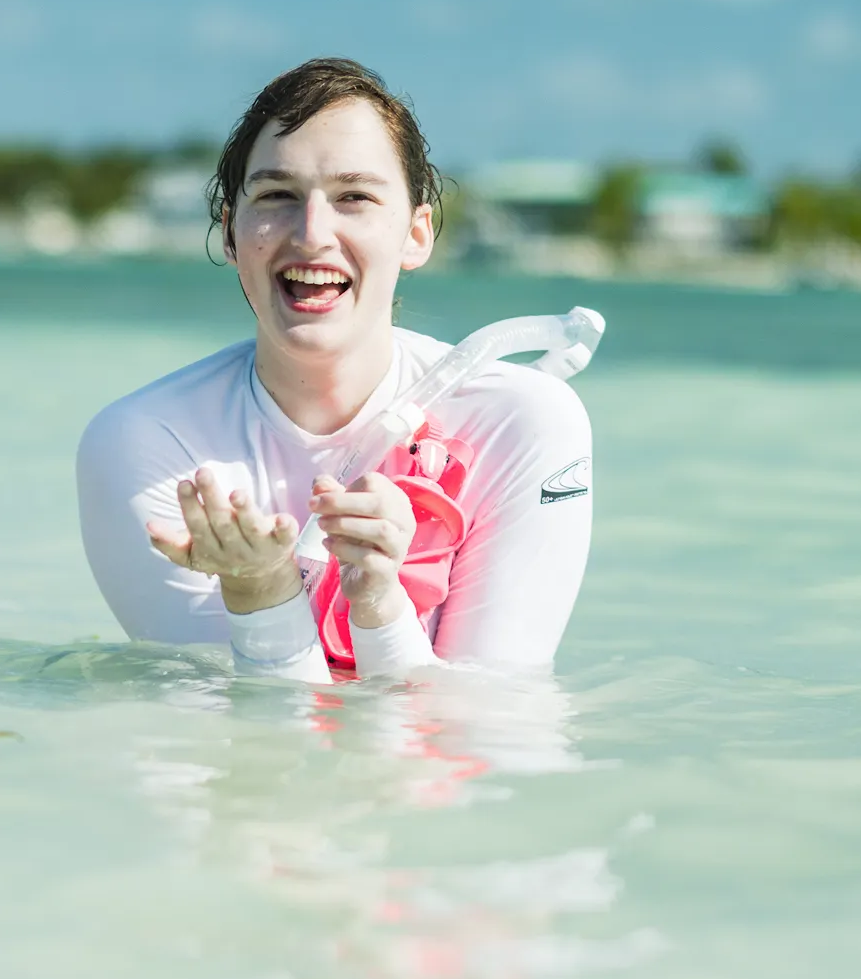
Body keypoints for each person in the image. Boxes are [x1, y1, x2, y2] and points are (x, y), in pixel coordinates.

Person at [77, 58, 595, 682]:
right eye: (276, 196)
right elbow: (231, 739)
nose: (313, 233)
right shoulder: (150, 443)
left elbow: (488, 723)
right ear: (231, 234)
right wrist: (258, 591)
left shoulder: (522, 420)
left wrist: (379, 603)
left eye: (354, 197)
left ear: (416, 234)